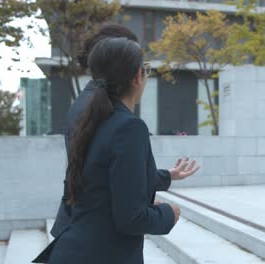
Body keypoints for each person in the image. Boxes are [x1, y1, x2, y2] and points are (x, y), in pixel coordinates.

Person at [34, 37, 182, 263]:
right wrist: (168, 214)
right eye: (146, 70)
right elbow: (131, 220)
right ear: (137, 76)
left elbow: (102, 191)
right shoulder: (129, 127)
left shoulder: (89, 118)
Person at [51, 24, 200, 238]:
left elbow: (106, 171)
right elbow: (130, 217)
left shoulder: (91, 105)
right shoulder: (120, 122)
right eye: (138, 64)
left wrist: (166, 177)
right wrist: (167, 213)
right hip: (99, 244)